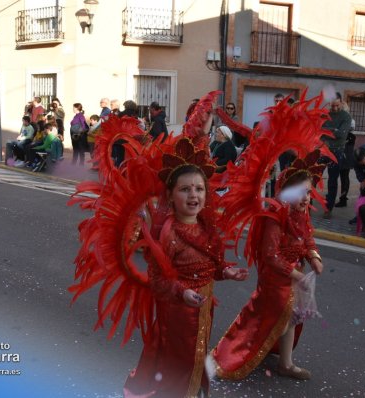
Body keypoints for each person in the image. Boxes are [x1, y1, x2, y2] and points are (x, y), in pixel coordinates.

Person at [124, 161, 248, 397]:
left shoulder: (205, 226)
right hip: (178, 313)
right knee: (180, 360)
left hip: (202, 309)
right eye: (185, 189)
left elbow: (212, 265)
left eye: (199, 189)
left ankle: (193, 391)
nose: (194, 195)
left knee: (197, 354)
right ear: (170, 196)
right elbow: (158, 279)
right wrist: (183, 292)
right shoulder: (169, 234)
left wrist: (227, 272)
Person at [213, 158, 324, 381]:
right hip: (275, 279)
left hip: (294, 276)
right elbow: (271, 255)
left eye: (308, 193)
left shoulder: (301, 214)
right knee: (272, 320)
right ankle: (238, 352)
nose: (305, 198)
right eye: (300, 192)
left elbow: (307, 238)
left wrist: (314, 258)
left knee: (292, 319)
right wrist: (296, 274)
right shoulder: (274, 217)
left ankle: (286, 363)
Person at [320, 96, 352, 218]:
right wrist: (333, 130)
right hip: (321, 151)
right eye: (332, 105)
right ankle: (307, 203)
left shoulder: (346, 116)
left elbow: (342, 134)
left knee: (332, 180)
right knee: (313, 177)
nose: (334, 108)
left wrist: (325, 130)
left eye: (337, 105)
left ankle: (329, 208)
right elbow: (317, 129)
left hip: (336, 152)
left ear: (341, 103)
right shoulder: (324, 115)